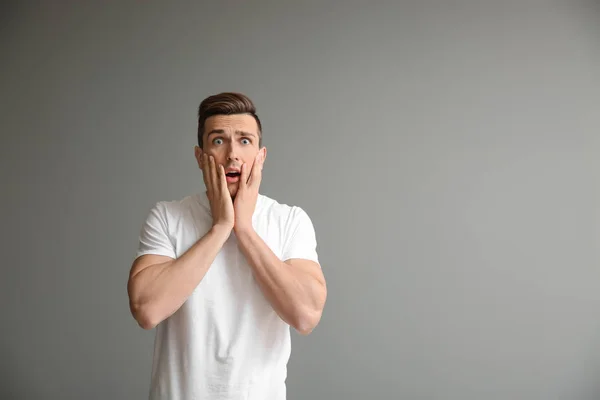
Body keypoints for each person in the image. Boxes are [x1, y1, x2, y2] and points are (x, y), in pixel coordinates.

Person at [126, 92, 327, 400]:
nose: (233, 154)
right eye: (218, 141)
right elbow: (146, 310)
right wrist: (221, 227)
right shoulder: (167, 216)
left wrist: (244, 229)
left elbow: (305, 315)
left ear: (260, 156)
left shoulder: (290, 220)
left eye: (245, 141)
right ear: (199, 155)